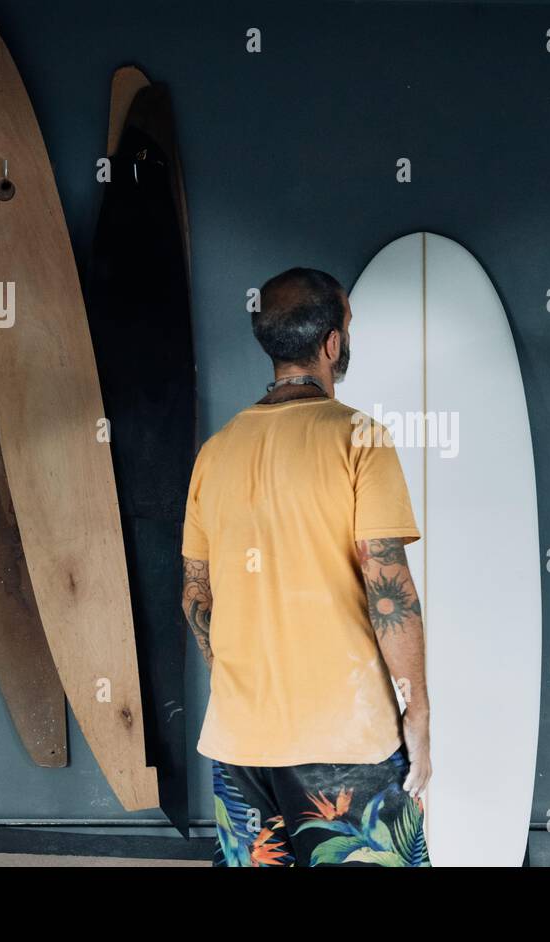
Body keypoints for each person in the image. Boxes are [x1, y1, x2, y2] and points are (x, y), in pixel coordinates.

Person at [181, 267, 431, 867]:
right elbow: (386, 585)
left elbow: (196, 595)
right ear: (333, 343)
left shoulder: (215, 454)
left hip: (241, 740)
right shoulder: (360, 439)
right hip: (344, 740)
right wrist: (417, 709)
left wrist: (238, 683)